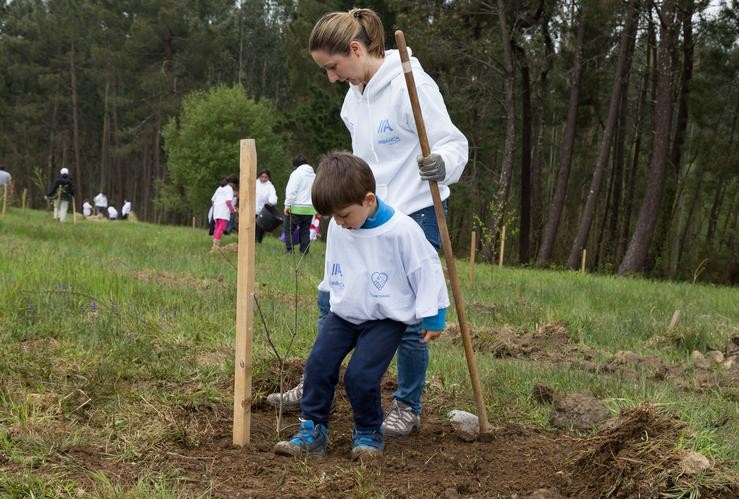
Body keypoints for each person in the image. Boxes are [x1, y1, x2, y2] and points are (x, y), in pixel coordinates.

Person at [267, 7, 468, 437]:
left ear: (355, 49)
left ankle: (407, 406)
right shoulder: (353, 100)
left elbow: (453, 143)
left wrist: (442, 163)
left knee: (413, 316)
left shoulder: (411, 85)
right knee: (334, 298)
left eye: (333, 67)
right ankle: (315, 382)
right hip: (367, 215)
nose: (332, 78)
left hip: (415, 212)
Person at [274, 152, 448, 460]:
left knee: (360, 376)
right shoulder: (342, 227)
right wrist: (327, 297)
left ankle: (368, 434)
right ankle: (312, 431)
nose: (339, 223)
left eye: (343, 215)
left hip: (384, 319)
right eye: (334, 218)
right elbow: (335, 267)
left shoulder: (402, 231)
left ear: (368, 200)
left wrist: (433, 317)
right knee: (317, 365)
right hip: (344, 314)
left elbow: (427, 269)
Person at [282, 155, 316, 254]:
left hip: (297, 207)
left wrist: (287, 205)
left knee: (288, 229)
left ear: (296, 165)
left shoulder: (296, 174)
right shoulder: (314, 175)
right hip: (310, 209)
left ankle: (289, 250)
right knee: (305, 231)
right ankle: (304, 252)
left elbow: (291, 191)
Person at [210, 174, 238, 252]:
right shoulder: (229, 189)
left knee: (217, 227)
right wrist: (232, 210)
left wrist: (214, 210)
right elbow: (228, 201)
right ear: (233, 183)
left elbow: (213, 200)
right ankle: (216, 247)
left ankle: (214, 245)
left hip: (216, 210)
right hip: (223, 211)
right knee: (221, 228)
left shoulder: (220, 188)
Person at [255, 169, 278, 243]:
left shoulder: (270, 186)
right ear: (259, 176)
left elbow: (273, 196)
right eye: (262, 177)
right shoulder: (255, 183)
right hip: (252, 208)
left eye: (265, 177)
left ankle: (258, 242)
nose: (263, 179)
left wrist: (272, 202)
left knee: (260, 228)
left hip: (262, 210)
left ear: (268, 178)